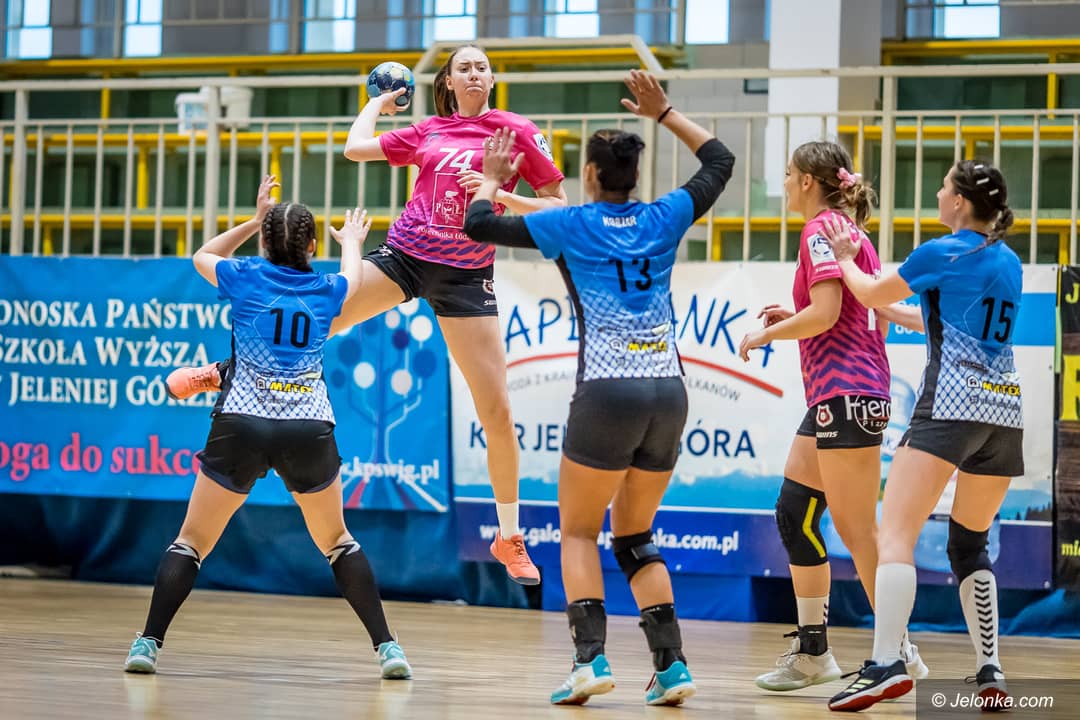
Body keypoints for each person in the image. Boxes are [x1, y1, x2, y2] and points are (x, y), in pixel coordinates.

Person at [165, 44, 569, 585]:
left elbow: (560, 207)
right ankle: (223, 371)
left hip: (467, 276)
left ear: (492, 78)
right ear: (448, 83)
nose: (474, 73)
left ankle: (509, 537)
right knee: (316, 321)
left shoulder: (516, 131)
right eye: (464, 68)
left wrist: (502, 197)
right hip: (407, 256)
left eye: (481, 66)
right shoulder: (428, 131)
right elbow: (355, 148)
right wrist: (379, 101)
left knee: (496, 410)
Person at [463, 70, 735, 706]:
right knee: (635, 536)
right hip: (668, 392)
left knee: (579, 532)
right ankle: (672, 668)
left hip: (608, 391)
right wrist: (664, 112)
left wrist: (495, 182)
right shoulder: (665, 215)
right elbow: (720, 161)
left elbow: (477, 225)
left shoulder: (573, 224)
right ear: (633, 175)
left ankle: (589, 662)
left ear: (588, 174)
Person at [124, 176, 412, 681]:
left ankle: (148, 643)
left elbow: (202, 255)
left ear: (263, 243)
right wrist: (351, 242)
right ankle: (388, 649)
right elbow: (354, 278)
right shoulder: (327, 290)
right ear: (312, 246)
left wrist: (254, 219)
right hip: (307, 427)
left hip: (243, 423)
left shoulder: (244, 275)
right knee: (338, 542)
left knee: (191, 542)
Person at [822, 160, 1021, 712]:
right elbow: (942, 319)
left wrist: (845, 259)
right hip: (1004, 415)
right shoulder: (1008, 260)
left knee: (895, 535)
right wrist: (892, 309)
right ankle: (990, 671)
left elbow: (865, 290)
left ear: (959, 202)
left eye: (944, 186)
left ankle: (885, 664)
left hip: (949, 408)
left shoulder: (940, 251)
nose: (937, 193)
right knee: (970, 544)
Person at [737, 142, 926, 691]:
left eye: (788, 173)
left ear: (808, 182)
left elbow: (826, 314)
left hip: (847, 394)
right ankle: (814, 652)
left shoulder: (821, 229)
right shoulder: (850, 233)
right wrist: (796, 315)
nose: (785, 183)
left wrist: (769, 333)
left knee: (859, 530)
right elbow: (867, 316)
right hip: (842, 396)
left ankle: (899, 651)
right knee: (795, 512)